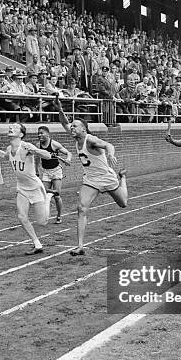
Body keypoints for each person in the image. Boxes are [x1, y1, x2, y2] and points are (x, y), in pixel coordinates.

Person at [55, 96, 128, 256]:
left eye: (75, 126)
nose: (72, 128)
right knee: (81, 208)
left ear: (84, 129)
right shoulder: (76, 137)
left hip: (106, 177)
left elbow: (109, 145)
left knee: (123, 203)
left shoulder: (90, 140)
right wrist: (60, 109)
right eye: (72, 126)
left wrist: (110, 154)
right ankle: (80, 246)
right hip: (91, 180)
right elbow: (63, 123)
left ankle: (122, 178)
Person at [0, 123, 55, 255]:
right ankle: (37, 244)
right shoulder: (10, 148)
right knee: (22, 217)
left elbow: (48, 155)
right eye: (11, 127)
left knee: (42, 222)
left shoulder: (26, 146)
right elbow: (3, 155)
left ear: (21, 134)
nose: (11, 128)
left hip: (34, 187)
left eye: (15, 128)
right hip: (22, 187)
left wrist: (34, 151)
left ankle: (49, 197)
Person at [37, 125, 72, 223]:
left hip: (56, 171)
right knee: (43, 194)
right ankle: (45, 215)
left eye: (41, 133)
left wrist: (68, 159)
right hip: (45, 171)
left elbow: (68, 153)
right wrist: (36, 170)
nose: (39, 135)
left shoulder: (54, 144)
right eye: (38, 133)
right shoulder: (37, 145)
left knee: (57, 196)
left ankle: (59, 216)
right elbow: (36, 158)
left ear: (47, 134)